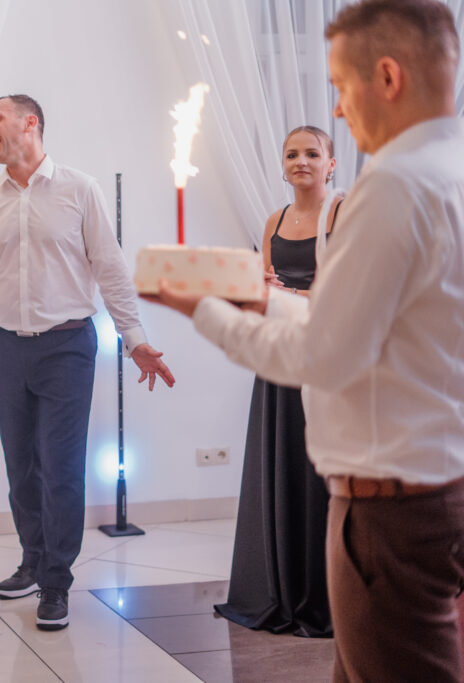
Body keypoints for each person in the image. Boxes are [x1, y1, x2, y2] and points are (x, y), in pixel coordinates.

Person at [146, 1, 464, 679]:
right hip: (440, 478)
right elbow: (376, 328)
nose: (339, 109)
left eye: (341, 86)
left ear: (388, 76)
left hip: (395, 503)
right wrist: (264, 299)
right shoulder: (451, 169)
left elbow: (323, 354)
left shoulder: (393, 187)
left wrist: (204, 310)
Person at [0, 95, 175, 631]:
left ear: (29, 123)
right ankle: (32, 562)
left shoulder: (80, 189)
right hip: (3, 345)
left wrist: (134, 340)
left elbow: (110, 268)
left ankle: (56, 581)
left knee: (61, 468)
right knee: (21, 467)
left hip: (67, 346)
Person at [215, 126, 342, 638]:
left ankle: (326, 594)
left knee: (317, 471)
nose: (301, 161)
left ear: (331, 163)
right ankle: (281, 588)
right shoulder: (275, 220)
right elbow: (265, 289)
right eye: (292, 154)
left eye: (312, 153)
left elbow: (346, 291)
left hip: (323, 359)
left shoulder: (344, 214)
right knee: (281, 463)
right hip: (278, 357)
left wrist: (287, 296)